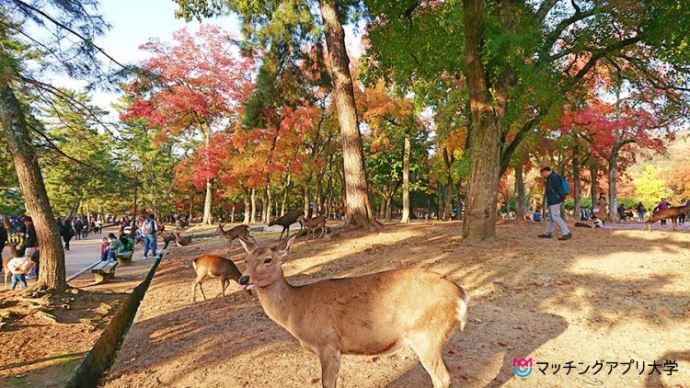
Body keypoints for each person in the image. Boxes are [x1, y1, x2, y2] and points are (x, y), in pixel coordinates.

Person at [538, 167, 572, 240]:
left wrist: (561, 198)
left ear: (546, 171)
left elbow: (559, 188)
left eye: (543, 173)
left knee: (555, 216)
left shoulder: (554, 177)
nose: (543, 175)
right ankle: (547, 233)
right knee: (550, 218)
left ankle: (566, 232)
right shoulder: (550, 178)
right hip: (552, 200)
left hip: (555, 200)